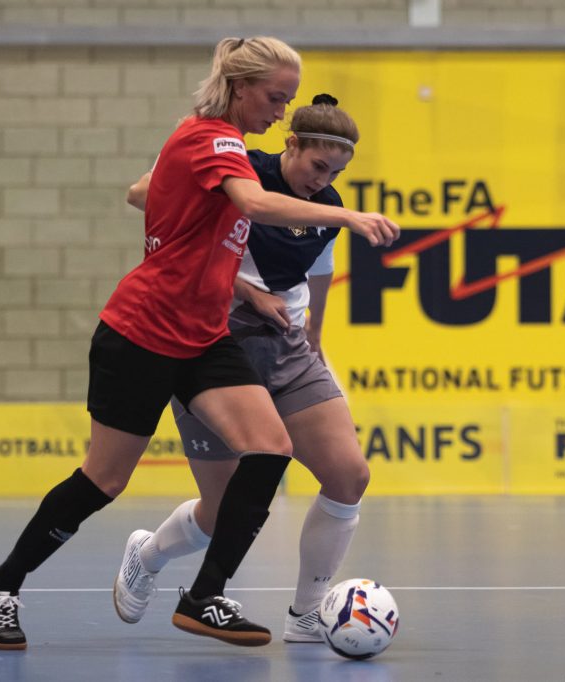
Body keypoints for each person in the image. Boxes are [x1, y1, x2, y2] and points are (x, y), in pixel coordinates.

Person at [0, 36, 399, 651]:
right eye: (276, 98)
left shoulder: (218, 144)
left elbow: (196, 220)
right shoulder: (212, 139)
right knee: (104, 479)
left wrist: (251, 292)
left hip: (204, 337)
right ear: (242, 86)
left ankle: (204, 596)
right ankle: (4, 584)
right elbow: (250, 201)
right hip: (142, 332)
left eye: (289, 100)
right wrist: (350, 217)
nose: (281, 111)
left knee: (270, 446)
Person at [115, 94, 370, 643]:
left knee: (349, 475)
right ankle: (149, 554)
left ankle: (305, 615)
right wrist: (246, 290)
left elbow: (317, 270)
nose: (322, 181)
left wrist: (316, 339)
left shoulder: (324, 208)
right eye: (316, 166)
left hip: (286, 349)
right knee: (224, 510)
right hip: (211, 346)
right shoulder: (237, 167)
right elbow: (145, 198)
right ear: (290, 144)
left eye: (336, 173)